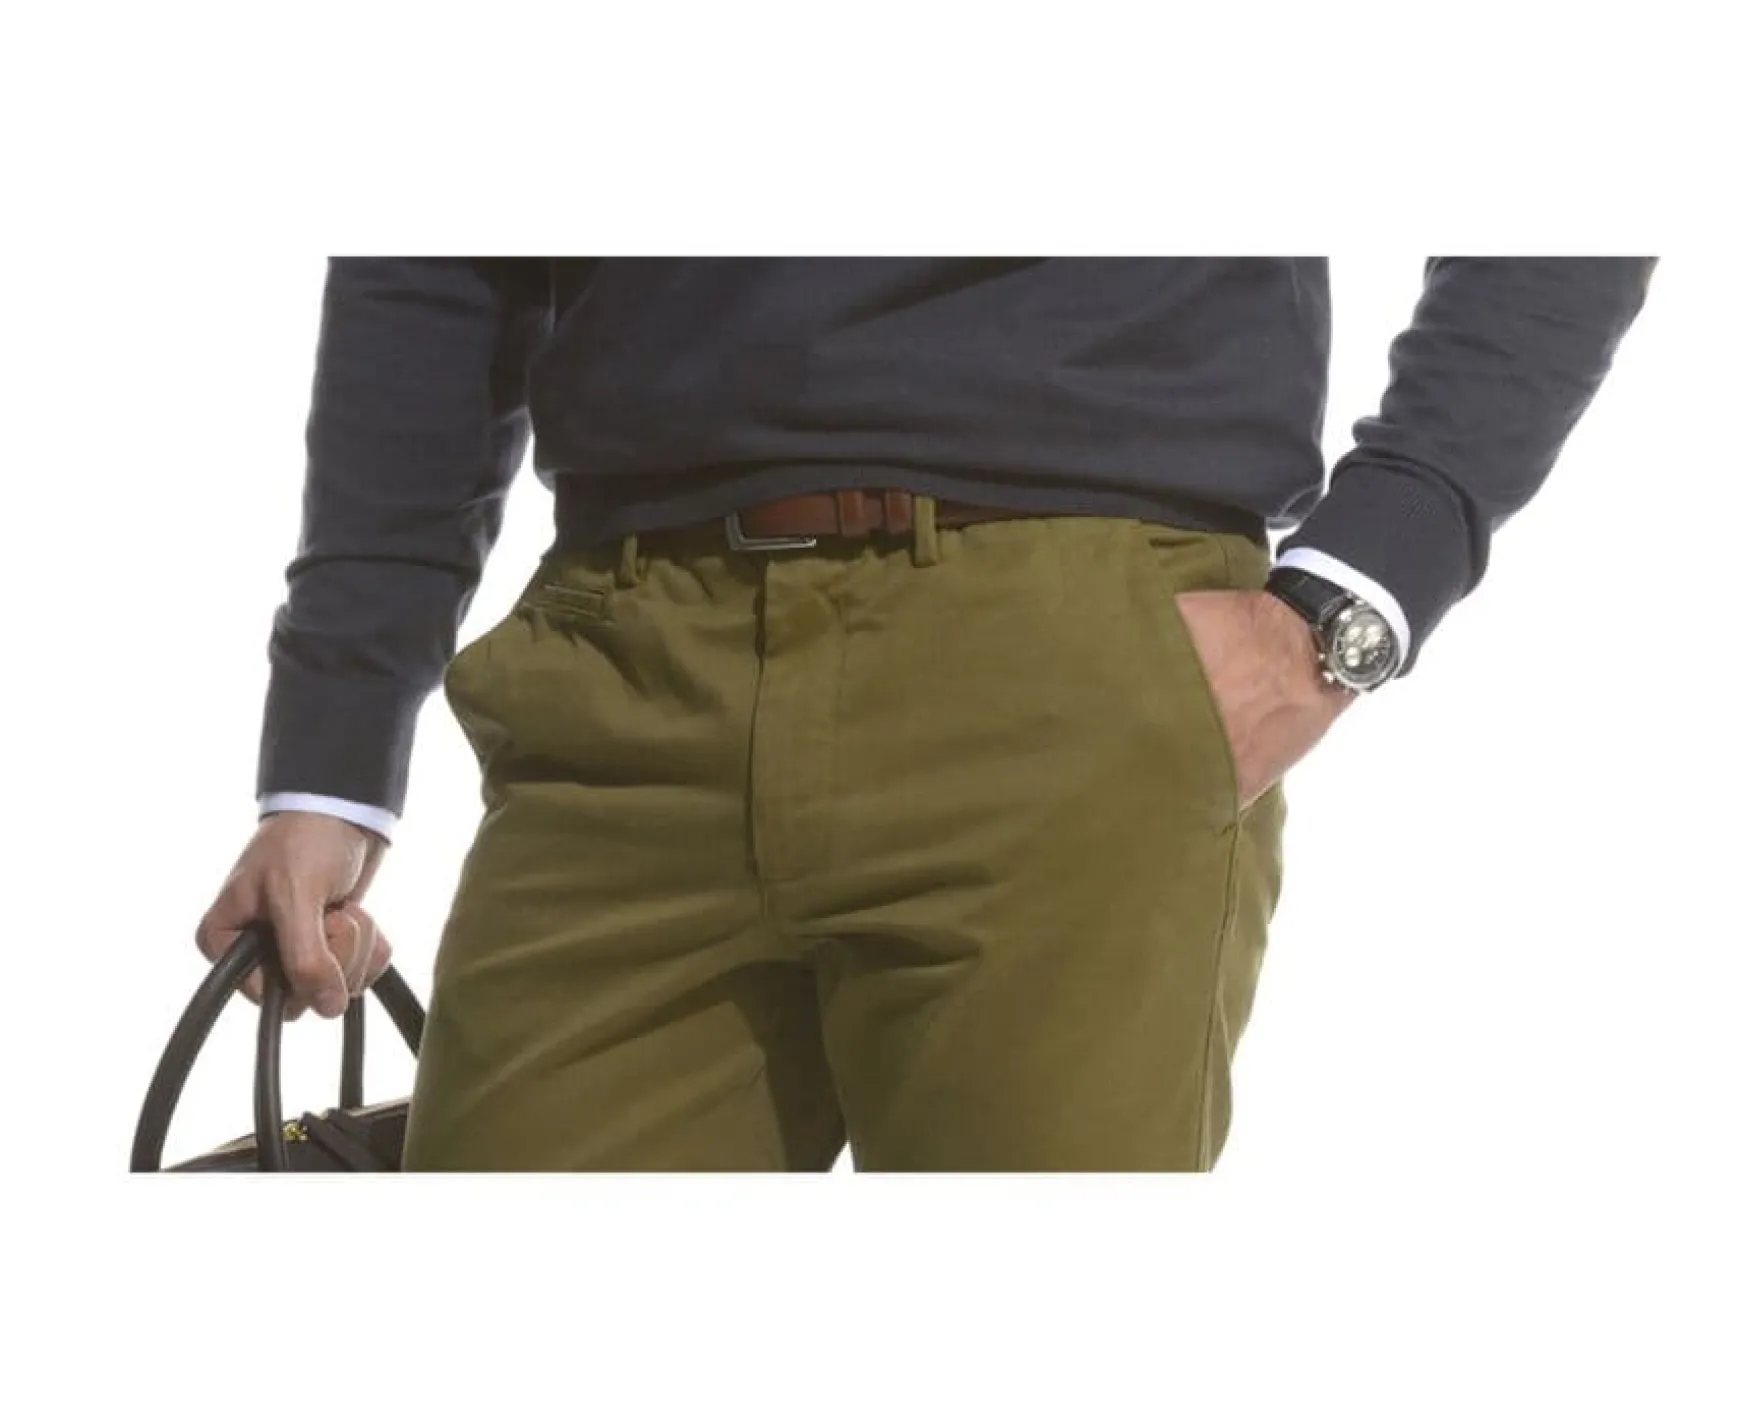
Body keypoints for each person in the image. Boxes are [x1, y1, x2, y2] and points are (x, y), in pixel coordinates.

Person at [195, 257, 1655, 1171]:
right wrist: (331, 757)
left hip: (1075, 665)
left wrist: (1361, 584)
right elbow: (433, 249)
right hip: (624, 666)